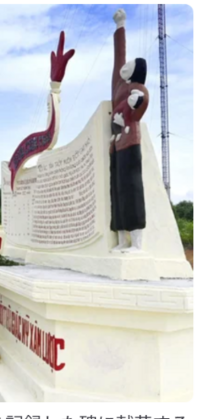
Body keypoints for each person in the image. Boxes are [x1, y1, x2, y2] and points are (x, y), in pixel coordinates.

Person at [109, 8, 149, 252]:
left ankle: (137, 242)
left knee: (132, 190)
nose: (123, 67)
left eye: (128, 66)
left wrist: (138, 103)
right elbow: (119, 57)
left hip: (130, 142)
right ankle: (123, 239)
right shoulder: (119, 86)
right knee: (117, 192)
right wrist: (119, 26)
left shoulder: (137, 89)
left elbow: (141, 103)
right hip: (115, 146)